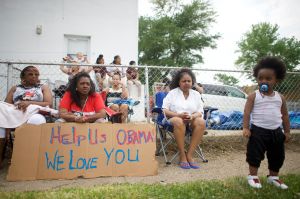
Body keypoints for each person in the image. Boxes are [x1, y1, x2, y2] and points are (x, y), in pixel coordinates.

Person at [243, 56, 291, 189]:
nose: (264, 81)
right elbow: (247, 113)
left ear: (276, 80)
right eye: (260, 78)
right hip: (258, 131)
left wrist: (286, 131)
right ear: (257, 79)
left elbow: (285, 115)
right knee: (254, 154)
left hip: (276, 131)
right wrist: (246, 128)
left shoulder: (280, 97)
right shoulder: (254, 96)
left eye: (268, 79)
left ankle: (273, 177)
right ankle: (253, 176)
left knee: (277, 155)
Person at [0, 66, 52, 166]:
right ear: (23, 78)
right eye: (30, 74)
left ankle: (31, 157)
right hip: (15, 114)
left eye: (36, 74)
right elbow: (7, 106)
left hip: (34, 113)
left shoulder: (43, 87)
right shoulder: (15, 88)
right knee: (1, 120)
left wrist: (29, 104)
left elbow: (48, 104)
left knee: (37, 120)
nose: (34, 76)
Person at [162, 68, 205, 169]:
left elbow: (200, 112)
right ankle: (182, 155)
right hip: (174, 119)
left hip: (191, 119)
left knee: (201, 122)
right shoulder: (172, 93)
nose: (186, 83)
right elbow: (164, 110)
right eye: (184, 81)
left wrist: (192, 116)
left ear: (192, 82)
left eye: (189, 81)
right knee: (178, 121)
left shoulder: (196, 94)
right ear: (179, 82)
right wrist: (179, 115)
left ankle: (189, 155)